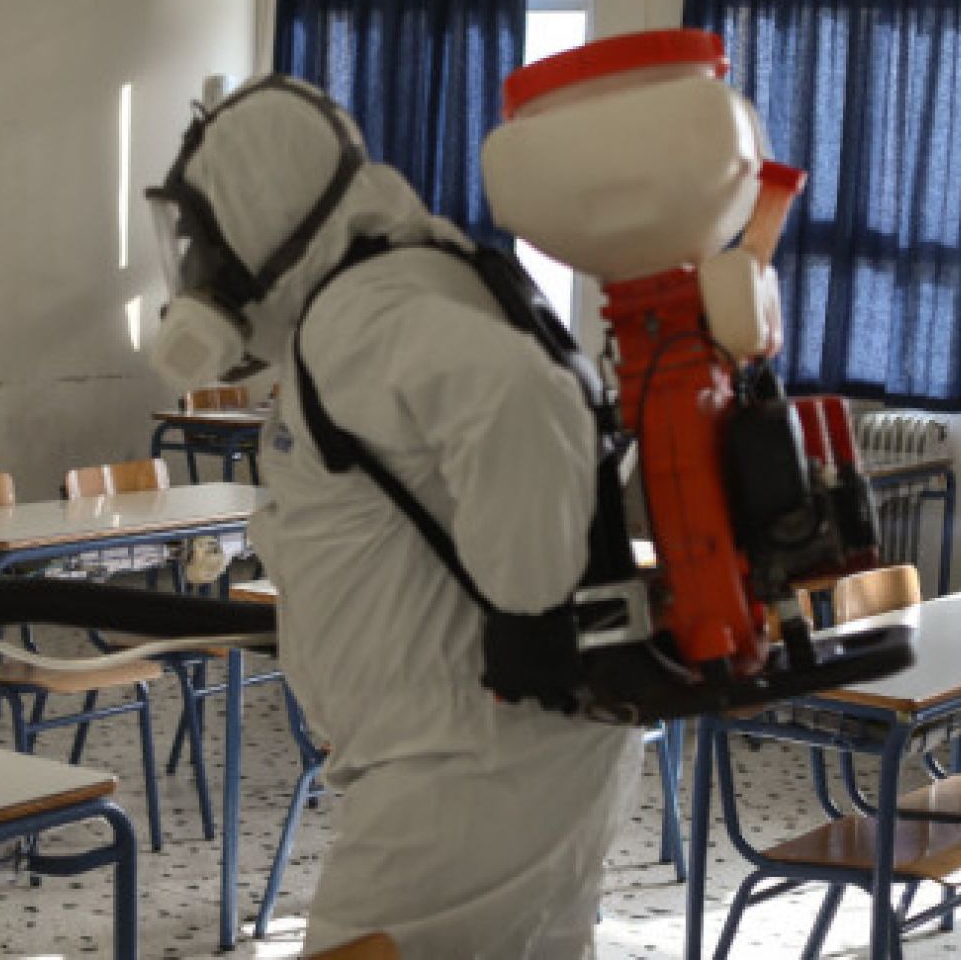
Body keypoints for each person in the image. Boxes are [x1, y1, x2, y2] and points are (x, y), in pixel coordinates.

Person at [145, 74, 642, 958]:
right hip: (516, 755)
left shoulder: (360, 313)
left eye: (210, 243)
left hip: (463, 772)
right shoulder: (414, 277)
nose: (203, 274)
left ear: (260, 218)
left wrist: (527, 603)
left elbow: (520, 397)